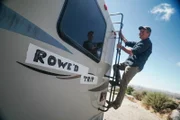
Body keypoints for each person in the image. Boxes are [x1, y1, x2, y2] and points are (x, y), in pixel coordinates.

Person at [107, 26, 152, 109]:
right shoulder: (139, 42)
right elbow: (127, 42)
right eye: (140, 31)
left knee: (123, 84)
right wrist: (121, 34)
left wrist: (121, 47)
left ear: (148, 34)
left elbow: (131, 52)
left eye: (143, 32)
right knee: (116, 66)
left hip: (134, 66)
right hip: (128, 63)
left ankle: (116, 104)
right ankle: (117, 81)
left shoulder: (146, 43)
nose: (140, 33)